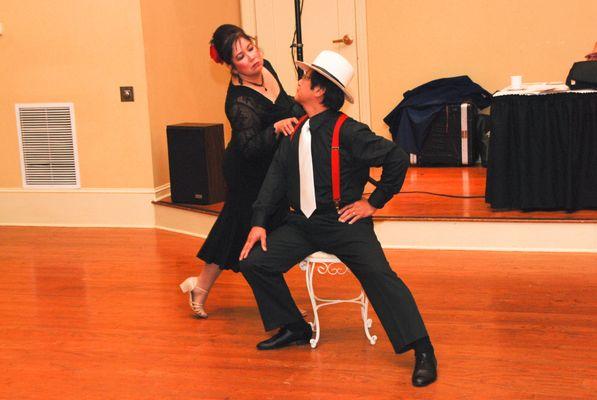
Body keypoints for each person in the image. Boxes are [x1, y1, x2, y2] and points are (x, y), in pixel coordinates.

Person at [238, 50, 438, 387]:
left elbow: (397, 158)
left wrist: (373, 202)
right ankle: (295, 328)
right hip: (301, 224)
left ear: (318, 91)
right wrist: (258, 222)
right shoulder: (296, 129)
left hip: (343, 223)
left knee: (380, 276)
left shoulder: (349, 131)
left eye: (305, 78)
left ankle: (423, 349)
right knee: (253, 262)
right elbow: (275, 177)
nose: (299, 82)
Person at [179, 24, 304, 318]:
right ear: (231, 66)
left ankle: (200, 287)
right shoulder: (237, 101)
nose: (252, 57)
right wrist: (275, 128)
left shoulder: (267, 67)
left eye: (251, 48)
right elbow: (249, 148)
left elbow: (283, 104)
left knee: (236, 230)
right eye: (241, 57)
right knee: (252, 232)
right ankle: (282, 309)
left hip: (270, 166)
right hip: (247, 172)